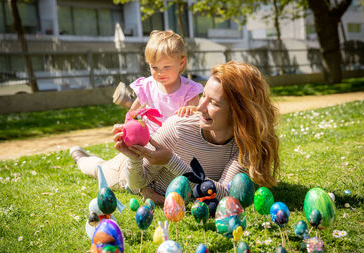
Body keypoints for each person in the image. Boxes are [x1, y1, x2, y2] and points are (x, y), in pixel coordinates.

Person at [71, 61, 279, 204]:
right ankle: (80, 156)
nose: (200, 107)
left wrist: (171, 160)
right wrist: (134, 159)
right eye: (203, 96)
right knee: (98, 169)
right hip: (126, 173)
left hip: (162, 174)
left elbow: (226, 194)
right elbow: (137, 185)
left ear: (238, 114)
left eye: (213, 102)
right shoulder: (178, 128)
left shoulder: (244, 145)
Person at [114, 30, 203, 133]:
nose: (160, 73)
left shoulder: (189, 89)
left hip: (177, 141)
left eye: (167, 67)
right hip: (151, 139)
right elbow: (132, 113)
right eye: (154, 67)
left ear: (181, 63)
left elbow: (198, 114)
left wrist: (191, 110)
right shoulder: (147, 86)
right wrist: (126, 128)